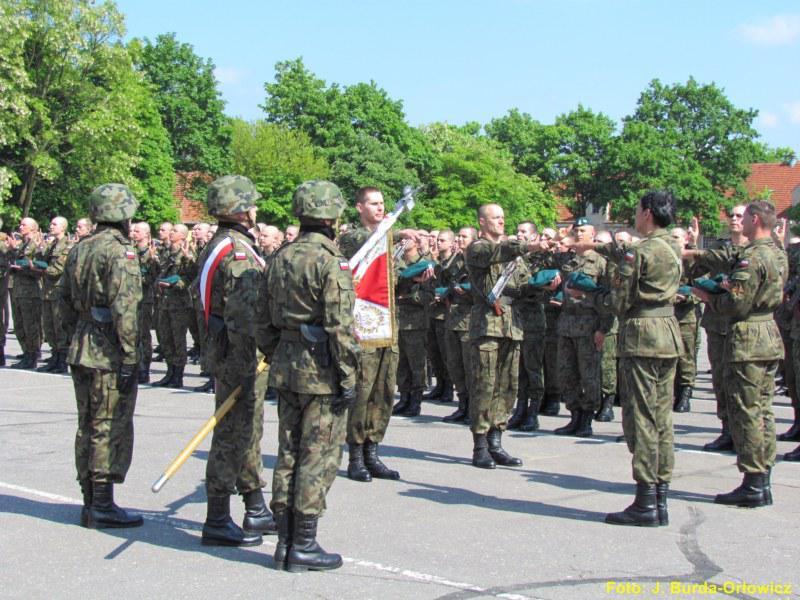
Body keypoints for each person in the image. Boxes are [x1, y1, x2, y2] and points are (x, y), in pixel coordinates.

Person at [256, 180, 360, 572]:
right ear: (333, 217)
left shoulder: (280, 257)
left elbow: (262, 320)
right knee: (317, 456)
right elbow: (339, 326)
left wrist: (277, 351)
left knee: (288, 453)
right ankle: (303, 544)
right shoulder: (330, 261)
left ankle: (284, 542)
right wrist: (348, 376)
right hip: (320, 372)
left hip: (286, 366)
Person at [576, 190, 682, 526]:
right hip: (667, 332)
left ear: (647, 213)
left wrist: (594, 294)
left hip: (643, 335)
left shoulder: (641, 252)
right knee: (661, 418)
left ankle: (646, 500)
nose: (635, 215)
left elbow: (619, 301)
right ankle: (659, 495)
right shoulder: (672, 247)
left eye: (637, 210)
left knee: (641, 419)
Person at [197, 175, 275, 548]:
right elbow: (243, 318)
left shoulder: (224, 244)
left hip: (231, 352)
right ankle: (216, 518)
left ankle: (255, 505)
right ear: (240, 209)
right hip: (238, 355)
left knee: (247, 433)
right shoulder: (236, 251)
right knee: (231, 435)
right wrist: (252, 361)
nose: (256, 209)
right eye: (252, 203)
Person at [58, 183, 143, 528]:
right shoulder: (120, 252)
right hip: (107, 351)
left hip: (82, 344)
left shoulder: (81, 248)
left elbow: (63, 300)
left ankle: (90, 498)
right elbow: (125, 307)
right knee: (108, 425)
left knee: (87, 424)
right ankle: (103, 504)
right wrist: (130, 354)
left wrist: (68, 339)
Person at [691, 201, 786, 506]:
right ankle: (762, 477)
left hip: (749, 337)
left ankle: (753, 481)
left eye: (743, 217)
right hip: (768, 334)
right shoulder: (777, 253)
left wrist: (710, 298)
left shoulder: (754, 256)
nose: (739, 221)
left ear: (755, 219)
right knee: (763, 410)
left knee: (746, 411)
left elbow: (737, 304)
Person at [338, 187, 405, 482]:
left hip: (387, 324)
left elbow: (397, 278)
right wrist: (395, 232)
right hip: (363, 324)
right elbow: (362, 242)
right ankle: (355, 455)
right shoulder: (354, 237)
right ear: (359, 207)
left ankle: (372, 451)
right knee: (362, 391)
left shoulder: (386, 240)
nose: (380, 209)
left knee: (384, 390)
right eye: (374, 204)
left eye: (382, 204)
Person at [465, 204, 537, 469]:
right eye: (495, 218)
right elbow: (494, 253)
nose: (501, 222)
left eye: (503, 218)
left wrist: (544, 285)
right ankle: (480, 445)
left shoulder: (512, 255)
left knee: (507, 385)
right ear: (482, 222)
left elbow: (523, 286)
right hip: (487, 323)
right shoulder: (478, 247)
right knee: (485, 384)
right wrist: (525, 246)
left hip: (511, 324)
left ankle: (497, 440)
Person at [553, 217, 608, 438]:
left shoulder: (601, 263)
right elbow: (551, 254)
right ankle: (574, 415)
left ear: (593, 235)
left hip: (589, 323)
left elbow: (607, 299)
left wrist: (603, 328)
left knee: (589, 375)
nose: (579, 233)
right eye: (576, 230)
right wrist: (560, 237)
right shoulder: (568, 260)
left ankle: (586, 418)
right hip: (567, 323)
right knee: (567, 373)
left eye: (583, 230)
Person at [153, 224, 195, 388]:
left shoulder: (187, 254)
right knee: (165, 337)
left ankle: (178, 375)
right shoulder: (166, 252)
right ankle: (169, 372)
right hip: (164, 302)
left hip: (179, 303)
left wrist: (173, 284)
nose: (171, 233)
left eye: (175, 231)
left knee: (178, 339)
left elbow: (191, 277)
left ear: (183, 236)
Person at [442, 227, 477, 423]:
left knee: (469, 368)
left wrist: (467, 291)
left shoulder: (477, 262)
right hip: (453, 319)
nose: (460, 239)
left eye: (464, 237)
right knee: (455, 366)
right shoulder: (456, 262)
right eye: (459, 236)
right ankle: (462, 404)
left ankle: (473, 408)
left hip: (469, 321)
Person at [37, 216, 72, 374]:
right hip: (47, 290)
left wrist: (38, 269)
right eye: (50, 223)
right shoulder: (51, 245)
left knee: (59, 327)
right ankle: (54, 356)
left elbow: (58, 268)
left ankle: (62, 360)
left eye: (54, 224)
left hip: (58, 290)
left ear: (63, 228)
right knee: (49, 326)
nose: (51, 226)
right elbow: (42, 260)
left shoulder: (67, 245)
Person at [9, 217, 43, 369]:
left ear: (33, 229)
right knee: (19, 325)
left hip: (30, 291)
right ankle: (26, 353)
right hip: (18, 290)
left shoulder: (36, 246)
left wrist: (25, 268)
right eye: (21, 224)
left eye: (24, 225)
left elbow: (40, 268)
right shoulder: (22, 245)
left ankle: (33, 356)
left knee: (31, 326)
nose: (20, 227)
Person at [130, 222, 159, 384]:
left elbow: (154, 278)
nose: (134, 233)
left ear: (146, 235)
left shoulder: (152, 254)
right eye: (133, 230)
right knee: (132, 334)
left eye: (137, 231)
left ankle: (144, 368)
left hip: (145, 299)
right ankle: (134, 365)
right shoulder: (131, 251)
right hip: (131, 298)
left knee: (143, 335)